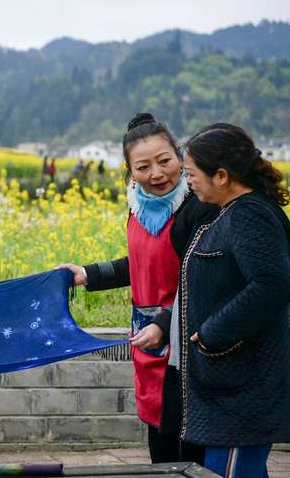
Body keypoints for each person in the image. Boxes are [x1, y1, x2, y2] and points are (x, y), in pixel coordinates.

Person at [59, 113, 216, 465]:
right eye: (143, 167)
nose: (157, 174)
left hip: (187, 335)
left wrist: (165, 322)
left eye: (165, 161)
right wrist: (86, 274)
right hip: (148, 337)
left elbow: (205, 280)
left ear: (179, 155)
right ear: (130, 171)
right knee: (158, 432)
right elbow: (139, 263)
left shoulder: (197, 207)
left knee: (187, 439)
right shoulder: (138, 206)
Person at [180, 123, 290, 477]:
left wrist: (213, 332)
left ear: (222, 175)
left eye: (192, 174)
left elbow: (272, 283)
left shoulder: (249, 213)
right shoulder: (232, 211)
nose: (189, 182)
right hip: (233, 379)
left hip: (245, 382)